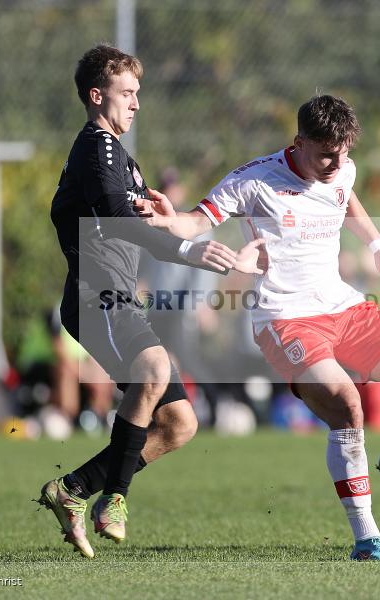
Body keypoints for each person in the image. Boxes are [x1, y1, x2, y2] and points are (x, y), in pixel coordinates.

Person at [142, 95, 380, 562]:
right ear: (299, 142)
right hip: (285, 318)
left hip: (342, 306)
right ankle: (367, 539)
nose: (336, 163)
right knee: (347, 405)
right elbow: (197, 221)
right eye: (326, 153)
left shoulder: (342, 166)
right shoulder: (253, 180)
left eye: (344, 152)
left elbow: (348, 201)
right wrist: (168, 220)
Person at [39, 43, 264, 558]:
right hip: (98, 296)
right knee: (155, 371)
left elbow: (140, 222)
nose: (137, 102)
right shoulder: (98, 148)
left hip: (119, 299)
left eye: (139, 92)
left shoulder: (117, 157)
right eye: (127, 92)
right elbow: (122, 220)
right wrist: (193, 249)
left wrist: (177, 225)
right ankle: (113, 498)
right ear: (97, 97)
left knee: (180, 423)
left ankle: (71, 490)